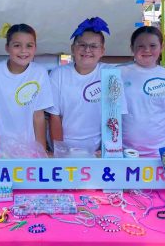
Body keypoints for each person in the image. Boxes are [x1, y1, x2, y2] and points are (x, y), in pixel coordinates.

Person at [46, 17, 125, 153]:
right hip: (64, 146)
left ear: (102, 51)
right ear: (72, 48)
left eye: (94, 46)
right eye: (82, 45)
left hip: (98, 148)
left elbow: (115, 116)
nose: (87, 50)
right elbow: (54, 117)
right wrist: (60, 151)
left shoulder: (110, 74)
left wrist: (107, 149)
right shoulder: (58, 74)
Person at [120, 26, 165, 157]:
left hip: (159, 151)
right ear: (132, 48)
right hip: (123, 151)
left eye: (152, 45)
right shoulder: (119, 73)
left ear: (161, 48)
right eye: (140, 46)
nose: (147, 50)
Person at [0, 23, 53, 151]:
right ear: (7, 47)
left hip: (31, 151)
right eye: (17, 45)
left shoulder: (40, 73)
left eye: (29, 46)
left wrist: (41, 152)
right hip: (1, 151)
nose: (23, 51)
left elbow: (38, 116)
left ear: (35, 48)